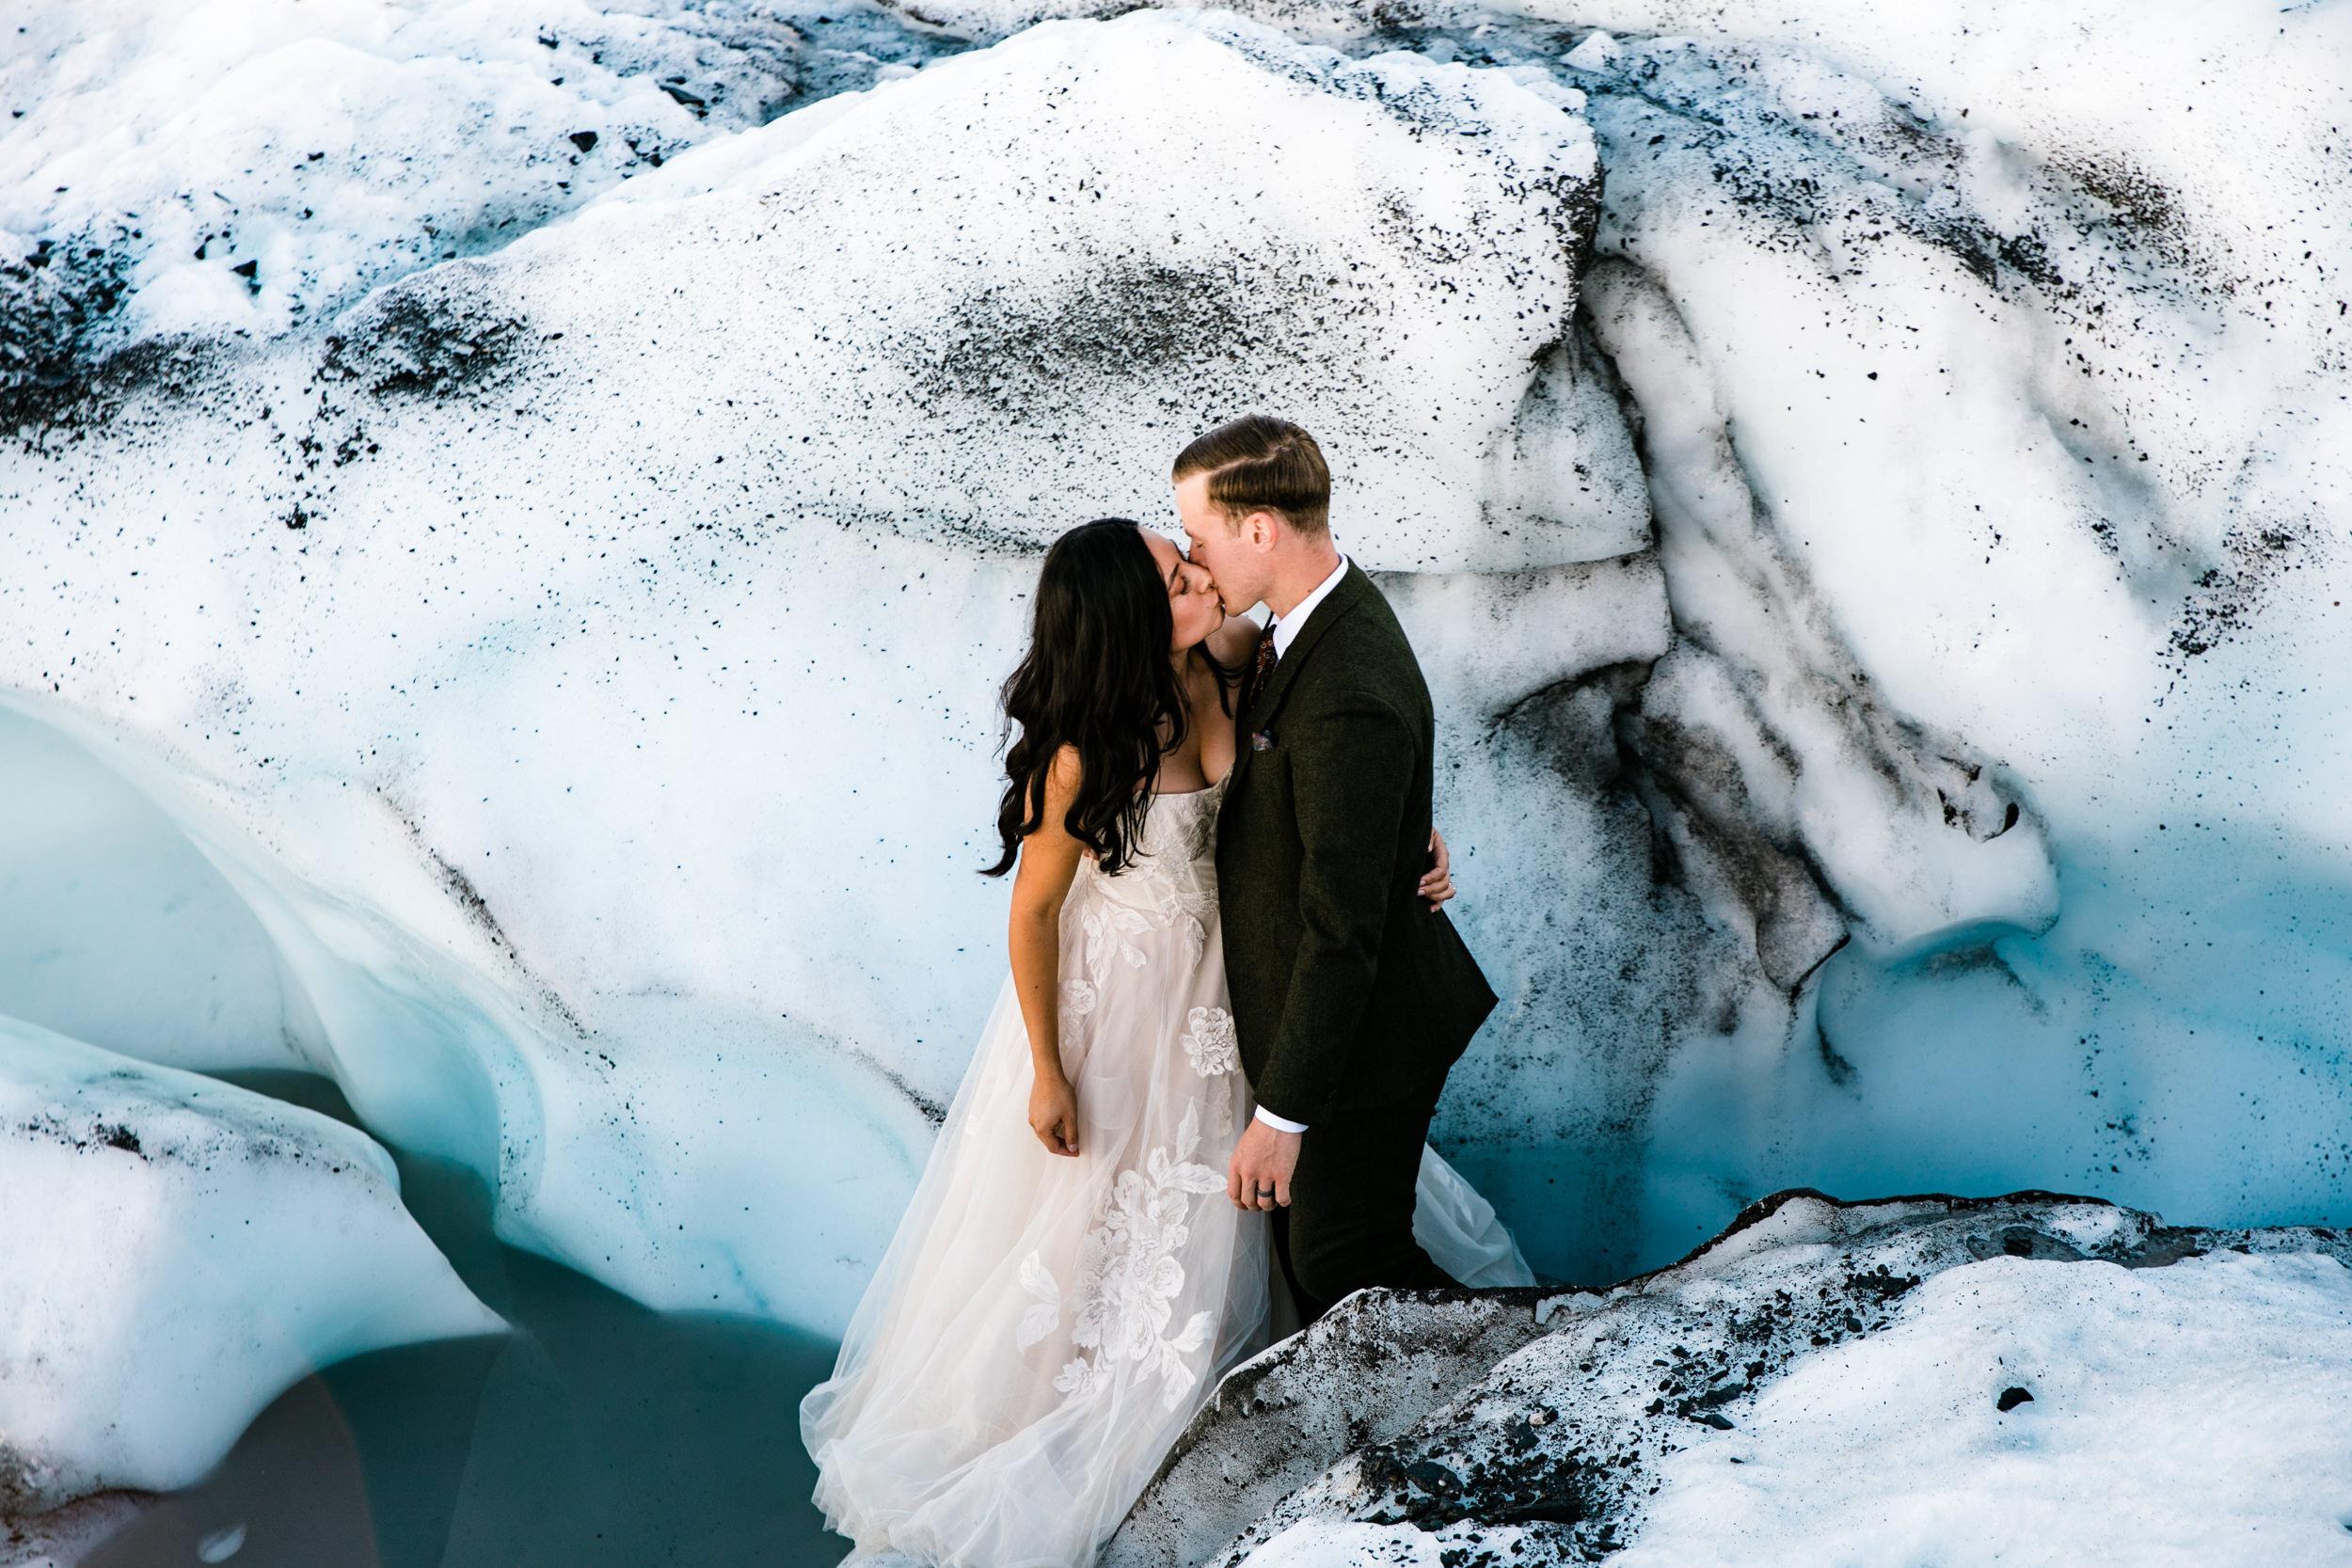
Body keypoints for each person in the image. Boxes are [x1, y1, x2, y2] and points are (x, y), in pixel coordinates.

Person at [802, 499, 1523, 1568]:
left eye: (1185, 559)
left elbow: (1325, 760)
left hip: (1237, 982)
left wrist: (1402, 838)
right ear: (1129, 621)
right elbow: (1035, 910)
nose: (1198, 576)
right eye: (1173, 578)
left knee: (1281, 1196)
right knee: (1112, 1234)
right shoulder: (1080, 755)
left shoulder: (1231, 657)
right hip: (1126, 1006)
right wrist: (1049, 1068)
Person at [1174, 414, 1502, 1322]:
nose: (1198, 562)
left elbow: (1341, 926)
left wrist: (1282, 1120)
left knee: (1343, 1259)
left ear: (1260, 530)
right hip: (1343, 1023)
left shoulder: (1347, 681)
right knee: (1330, 1256)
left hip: (1369, 1033)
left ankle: (1513, 1381)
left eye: (1200, 538)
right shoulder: (1307, 623)